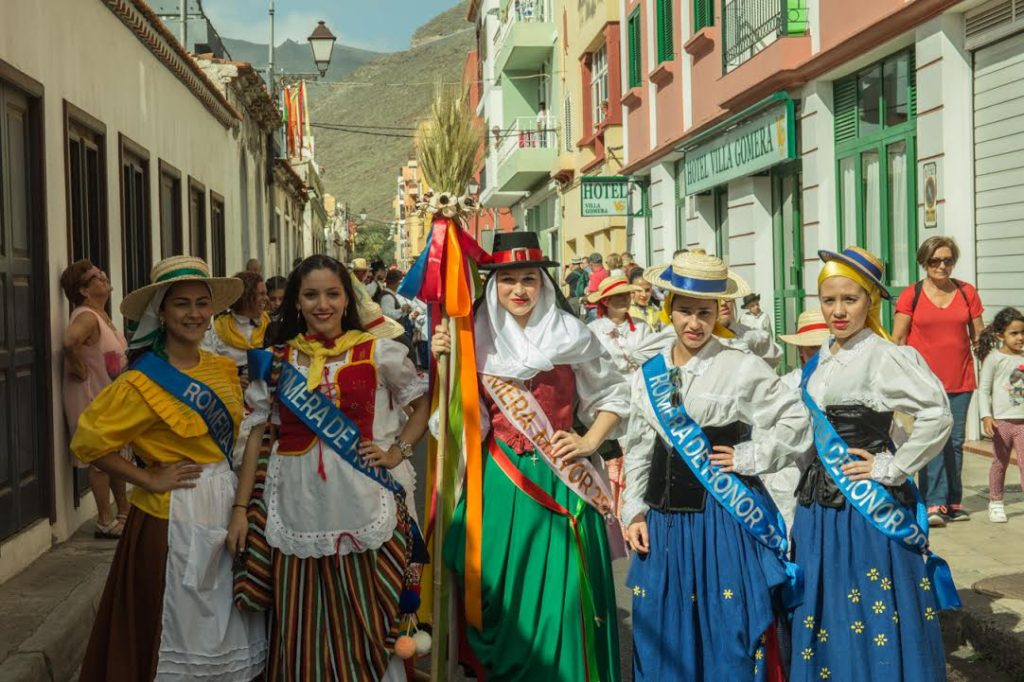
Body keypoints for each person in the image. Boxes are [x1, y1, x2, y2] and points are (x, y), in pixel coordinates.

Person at [432, 231, 629, 681]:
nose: (519, 290)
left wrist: (589, 441)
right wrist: (444, 362)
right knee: (496, 590)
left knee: (563, 604)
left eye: (528, 279)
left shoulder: (570, 334)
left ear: (543, 283)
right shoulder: (472, 339)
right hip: (498, 482)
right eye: (507, 281)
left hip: (562, 480)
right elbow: (459, 422)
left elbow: (615, 395)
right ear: (492, 286)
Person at [230, 255, 429, 681]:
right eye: (311, 295)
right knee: (302, 619)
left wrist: (398, 452)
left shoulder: (379, 350)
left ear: (348, 298)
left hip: (363, 498)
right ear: (296, 303)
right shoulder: (276, 358)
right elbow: (255, 436)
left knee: (370, 615)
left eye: (332, 294)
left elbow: (422, 404)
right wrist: (240, 509)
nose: (323, 304)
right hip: (295, 501)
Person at [72, 256, 265, 681]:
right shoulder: (141, 381)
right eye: (181, 304)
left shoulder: (221, 369)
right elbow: (89, 443)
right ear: (161, 311)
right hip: (170, 516)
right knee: (174, 625)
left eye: (201, 303)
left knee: (226, 622)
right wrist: (147, 477)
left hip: (226, 504)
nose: (194, 314)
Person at [623, 251, 810, 681]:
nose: (694, 323)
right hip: (664, 520)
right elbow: (638, 444)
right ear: (669, 308)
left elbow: (795, 420)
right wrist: (633, 509)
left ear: (717, 312)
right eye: (685, 310)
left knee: (726, 627)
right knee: (662, 630)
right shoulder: (649, 371)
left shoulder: (740, 365)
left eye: (704, 313)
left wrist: (749, 457)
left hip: (721, 519)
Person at [790, 246, 953, 682]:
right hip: (818, 510)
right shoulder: (822, 357)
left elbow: (938, 413)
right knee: (826, 604)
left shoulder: (885, 356)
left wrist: (892, 467)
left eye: (851, 299)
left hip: (866, 512)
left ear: (871, 301)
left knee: (868, 603)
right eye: (829, 300)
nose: (838, 311)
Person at [892, 236, 984, 526]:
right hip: (924, 384)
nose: (942, 266)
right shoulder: (912, 294)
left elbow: (979, 337)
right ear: (924, 262)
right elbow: (898, 339)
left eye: (948, 260)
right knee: (930, 440)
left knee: (955, 442)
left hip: (961, 378)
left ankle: (952, 503)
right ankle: (931, 504)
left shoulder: (967, 292)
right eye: (935, 260)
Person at [60, 259, 130, 539]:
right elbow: (69, 341)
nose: (103, 279)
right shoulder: (86, 316)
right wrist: (77, 366)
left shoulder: (101, 315)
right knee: (101, 461)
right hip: (93, 400)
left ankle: (123, 511)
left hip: (109, 399)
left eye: (102, 274)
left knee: (117, 458)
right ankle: (104, 520)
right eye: (96, 278)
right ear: (84, 291)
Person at [587, 275, 649, 525]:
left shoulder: (642, 327)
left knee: (638, 456)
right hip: (609, 403)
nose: (624, 299)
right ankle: (613, 514)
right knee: (612, 460)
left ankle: (634, 511)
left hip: (640, 401)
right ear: (606, 300)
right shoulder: (593, 331)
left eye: (627, 294)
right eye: (618, 296)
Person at [771, 309, 831, 531]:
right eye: (815, 348)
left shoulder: (849, 385)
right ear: (801, 351)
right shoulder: (784, 387)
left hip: (837, 487)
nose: (821, 355)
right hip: (790, 483)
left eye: (826, 347)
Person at [202, 271, 269, 466]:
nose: (266, 299)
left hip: (263, 403)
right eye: (261, 294)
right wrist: (231, 380)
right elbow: (207, 364)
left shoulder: (271, 326)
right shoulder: (218, 328)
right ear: (247, 296)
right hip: (231, 404)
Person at [977, 307, 1024, 524]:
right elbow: (984, 389)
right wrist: (986, 416)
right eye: (1014, 333)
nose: (1020, 337)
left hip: (1023, 423)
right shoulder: (994, 359)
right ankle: (996, 502)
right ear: (1000, 335)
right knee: (999, 463)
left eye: (1022, 332)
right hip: (1002, 422)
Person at [584, 252, 610, 322]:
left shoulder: (596, 276)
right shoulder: (605, 272)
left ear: (591, 263)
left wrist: (583, 299)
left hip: (595, 308)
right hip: (604, 307)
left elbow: (592, 295)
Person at [264, 275, 287, 345]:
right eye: (272, 299)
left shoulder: (295, 319)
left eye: (281, 299)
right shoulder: (261, 321)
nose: (277, 303)